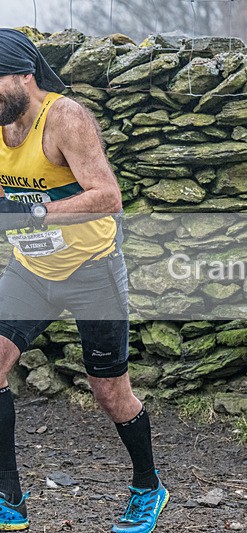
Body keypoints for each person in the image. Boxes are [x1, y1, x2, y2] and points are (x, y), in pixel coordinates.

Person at [0, 28, 168, 532]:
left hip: (92, 270)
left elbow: (108, 197)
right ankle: (9, 496)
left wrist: (32, 212)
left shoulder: (64, 118)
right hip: (30, 271)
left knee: (109, 392)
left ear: (24, 76)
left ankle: (148, 487)